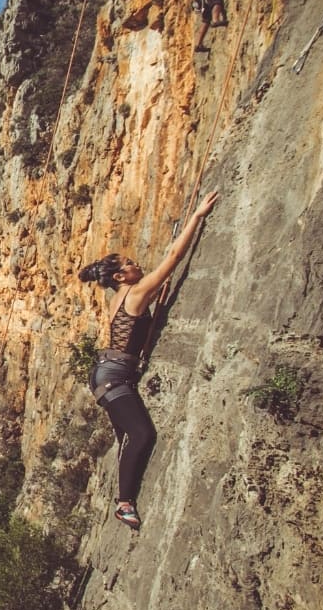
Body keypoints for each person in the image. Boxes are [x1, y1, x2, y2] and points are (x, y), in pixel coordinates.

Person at [77, 190, 220, 529]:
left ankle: (124, 497)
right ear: (119, 277)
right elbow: (173, 255)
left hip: (107, 373)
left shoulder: (122, 297)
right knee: (141, 435)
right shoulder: (137, 292)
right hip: (114, 377)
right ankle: (124, 502)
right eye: (128, 264)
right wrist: (197, 216)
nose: (135, 264)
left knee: (129, 436)